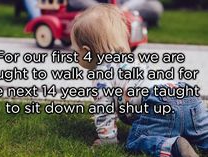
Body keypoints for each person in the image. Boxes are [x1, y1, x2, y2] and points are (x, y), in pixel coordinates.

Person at [70, 4, 208, 157]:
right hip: (186, 93)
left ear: (86, 52)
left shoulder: (101, 75)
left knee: (137, 140)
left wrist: (106, 140)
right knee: (202, 134)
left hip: (158, 102)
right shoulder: (134, 61)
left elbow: (104, 111)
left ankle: (172, 146)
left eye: (75, 51)